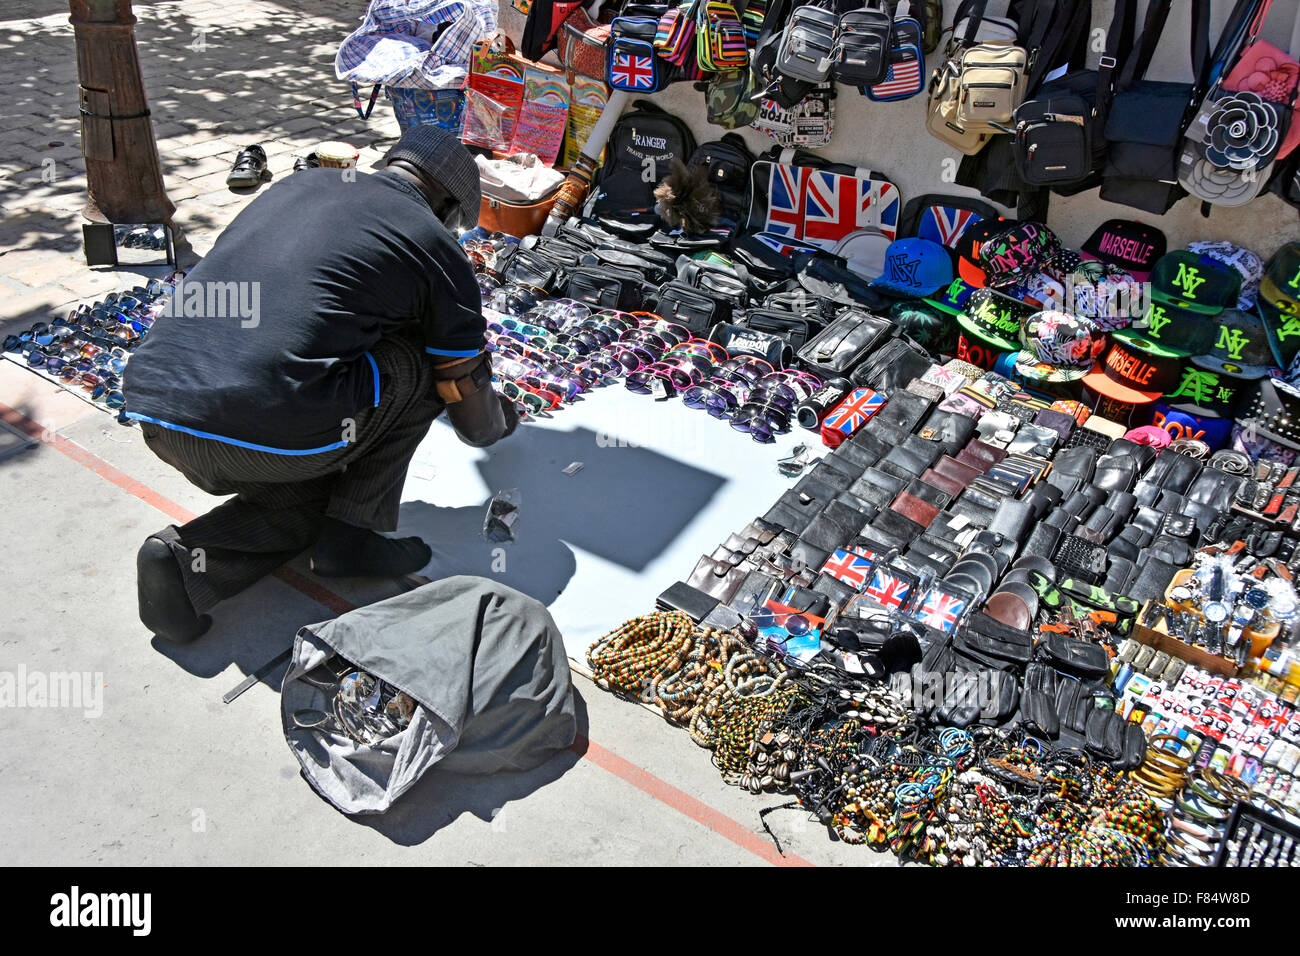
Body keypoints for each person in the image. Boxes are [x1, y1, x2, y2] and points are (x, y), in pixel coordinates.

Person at [123, 125, 517, 643]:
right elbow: (464, 399)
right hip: (270, 431)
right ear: (445, 207)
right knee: (424, 363)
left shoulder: (294, 187)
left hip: (158, 414)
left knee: (317, 494)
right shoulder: (433, 242)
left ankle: (184, 566)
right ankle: (353, 532)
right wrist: (500, 420)